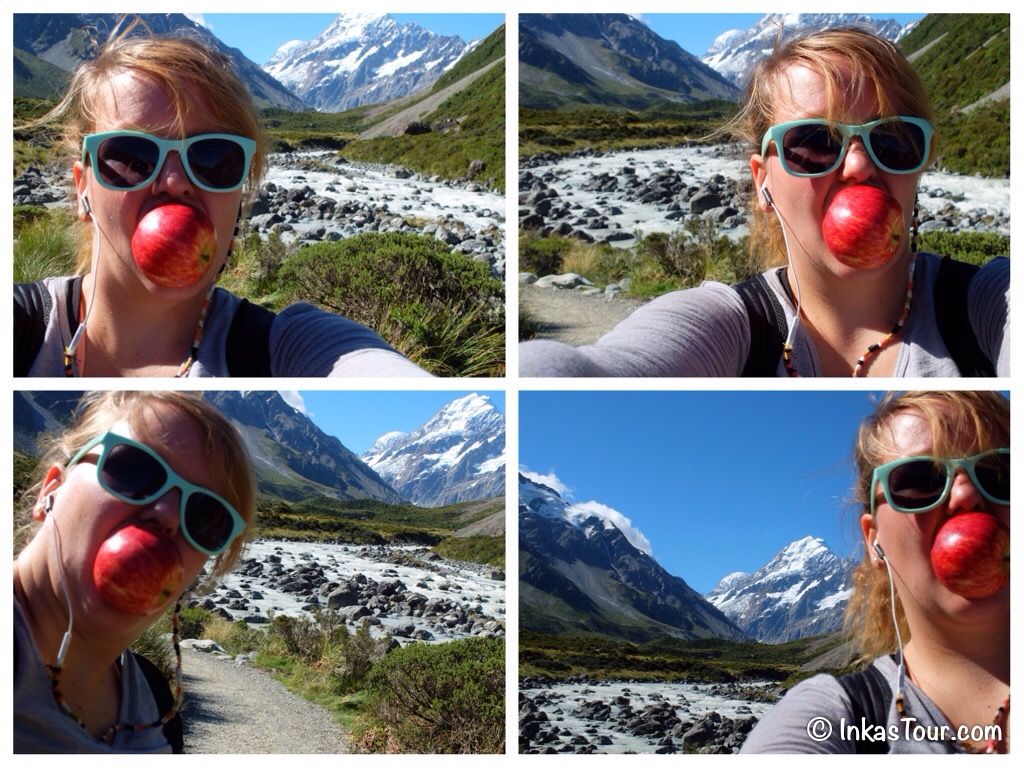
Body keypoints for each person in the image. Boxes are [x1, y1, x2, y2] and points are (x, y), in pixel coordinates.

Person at [519, 28, 1009, 377]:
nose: (860, 166)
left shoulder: (988, 305)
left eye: (894, 140)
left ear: (919, 163)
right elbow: (587, 371)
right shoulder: (728, 328)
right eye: (815, 142)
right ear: (762, 183)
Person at [14, 21, 431, 377]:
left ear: (241, 189)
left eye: (212, 157)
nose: (174, 182)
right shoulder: (20, 324)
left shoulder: (284, 349)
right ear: (81, 188)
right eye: (131, 155)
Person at [741, 391, 1009, 753]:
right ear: (873, 540)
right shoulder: (835, 716)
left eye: (999, 472)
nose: (965, 495)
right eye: (918, 479)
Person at [14, 391, 257, 752]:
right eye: (134, 468)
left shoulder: (155, 701)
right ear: (51, 489)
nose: (167, 515)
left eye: (207, 517)